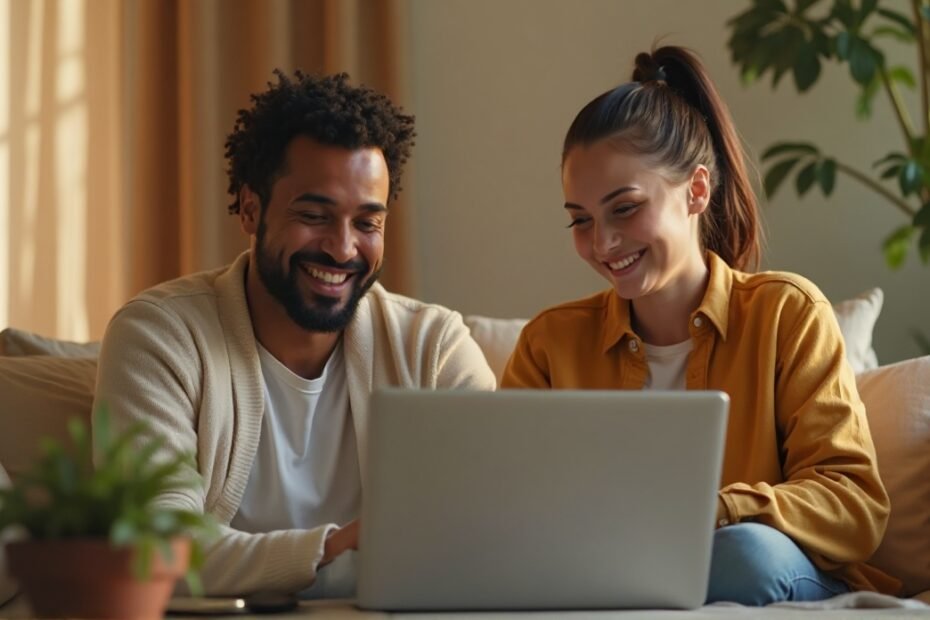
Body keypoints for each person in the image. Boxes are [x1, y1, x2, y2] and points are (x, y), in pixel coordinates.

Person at [501, 46, 900, 605]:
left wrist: (716, 508)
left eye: (624, 208)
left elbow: (853, 506)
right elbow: (502, 508)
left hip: (771, 575)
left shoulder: (786, 313)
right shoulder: (549, 345)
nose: (602, 244)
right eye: (581, 220)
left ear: (696, 190)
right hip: (606, 577)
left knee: (743, 554)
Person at [93, 71, 496, 597]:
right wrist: (335, 546)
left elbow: (492, 526)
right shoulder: (158, 337)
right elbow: (152, 548)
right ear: (250, 208)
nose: (342, 248)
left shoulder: (433, 347)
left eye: (367, 223)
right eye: (314, 215)